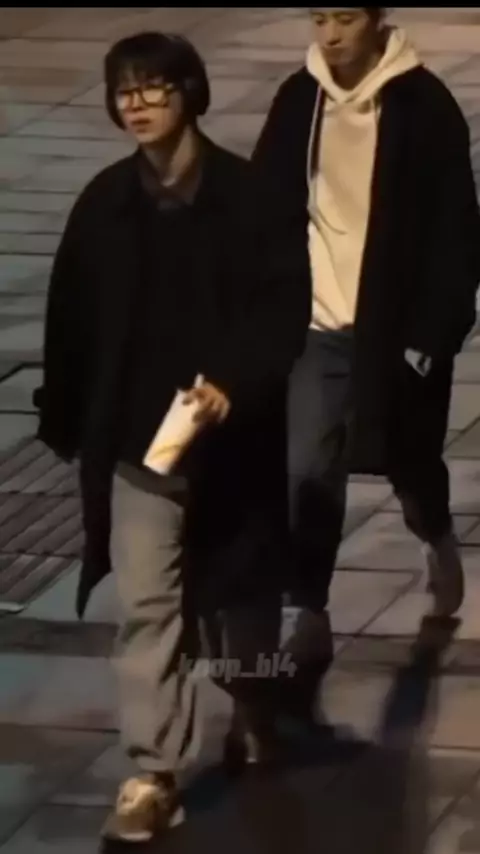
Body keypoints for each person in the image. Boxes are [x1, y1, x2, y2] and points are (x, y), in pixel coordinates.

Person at [35, 31, 310, 845]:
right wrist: (66, 415)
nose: (138, 104)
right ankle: (153, 771)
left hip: (232, 443)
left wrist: (233, 383)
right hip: (138, 445)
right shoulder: (104, 205)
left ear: (189, 92)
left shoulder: (248, 198)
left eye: (154, 87)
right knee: (148, 605)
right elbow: (70, 320)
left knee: (242, 600)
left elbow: (282, 310)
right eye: (125, 91)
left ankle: (252, 702)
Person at [252, 8, 480, 723]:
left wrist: (432, 334)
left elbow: (456, 231)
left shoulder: (424, 105)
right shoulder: (299, 99)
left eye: (345, 17)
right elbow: (262, 207)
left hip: (394, 329)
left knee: (408, 461)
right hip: (316, 323)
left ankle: (435, 537)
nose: (329, 34)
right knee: (306, 468)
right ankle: (310, 610)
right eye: (319, 17)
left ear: (378, 19)